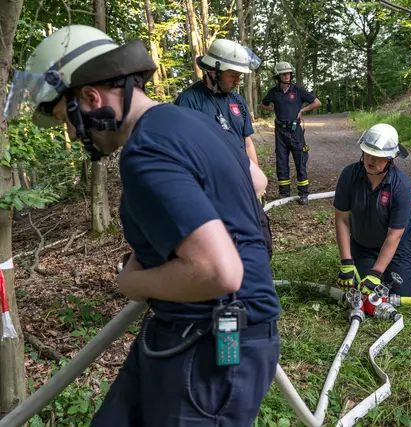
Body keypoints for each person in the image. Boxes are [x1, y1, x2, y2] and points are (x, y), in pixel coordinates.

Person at [5, 25, 282, 425]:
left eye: (67, 118)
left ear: (91, 98)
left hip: (211, 350)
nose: (72, 133)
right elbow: (255, 181)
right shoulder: (191, 122)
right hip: (187, 330)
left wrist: (132, 282)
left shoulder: (146, 151)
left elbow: (220, 272)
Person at [174, 38, 273, 259]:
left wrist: (256, 181)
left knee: (261, 243)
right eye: (233, 75)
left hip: (243, 187)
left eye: (240, 75)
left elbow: (247, 142)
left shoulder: (237, 100)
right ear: (213, 71)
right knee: (222, 252)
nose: (238, 80)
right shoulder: (189, 101)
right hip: (212, 193)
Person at [333, 124, 411, 297]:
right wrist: (346, 262)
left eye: (378, 156)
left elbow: (394, 235)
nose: (371, 160)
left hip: (397, 244)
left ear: (391, 158)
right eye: (368, 153)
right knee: (358, 291)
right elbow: (342, 220)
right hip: (363, 244)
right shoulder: (349, 175)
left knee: (401, 294)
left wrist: (376, 274)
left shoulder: (401, 186)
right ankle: (371, 264)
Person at [260, 61, 321, 205]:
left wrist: (302, 110)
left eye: (288, 73)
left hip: (295, 132)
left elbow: (317, 102)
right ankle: (284, 193)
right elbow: (263, 104)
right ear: (278, 76)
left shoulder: (298, 90)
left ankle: (303, 193)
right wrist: (274, 110)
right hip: (280, 131)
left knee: (300, 161)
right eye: (283, 74)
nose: (287, 75)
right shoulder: (273, 92)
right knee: (281, 161)